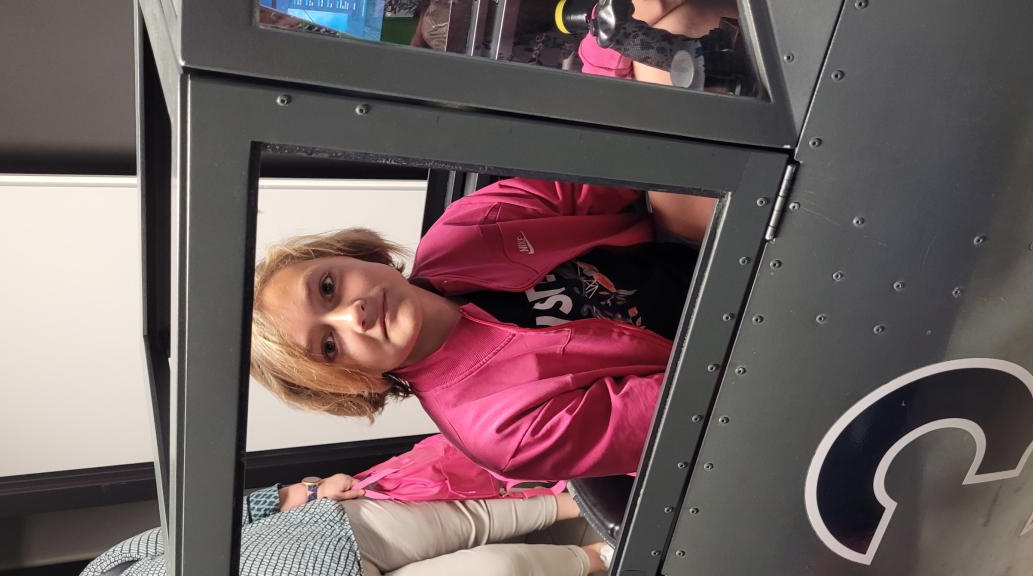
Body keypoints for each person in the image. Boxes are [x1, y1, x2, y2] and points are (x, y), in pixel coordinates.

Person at [249, 0, 738, 482]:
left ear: (355, 257)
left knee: (669, 28)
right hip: (732, 342)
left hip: (699, 251)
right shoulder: (502, 431)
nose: (351, 315)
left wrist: (613, 36)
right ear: (354, 384)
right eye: (329, 346)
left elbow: (593, 166)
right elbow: (707, 399)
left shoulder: (461, 234)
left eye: (328, 288)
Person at [81, 474, 611, 576]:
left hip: (321, 536)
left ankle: (586, 505)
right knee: (502, 570)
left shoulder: (103, 571)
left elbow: (202, 524)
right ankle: (602, 558)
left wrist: (304, 493)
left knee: (469, 516)